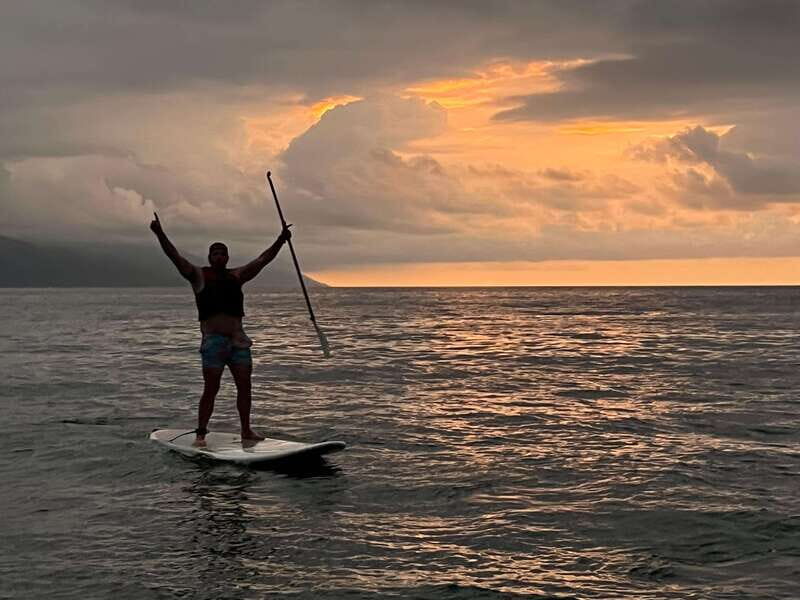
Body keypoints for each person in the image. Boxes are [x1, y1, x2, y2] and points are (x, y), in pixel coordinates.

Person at [150, 212, 291, 446]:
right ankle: (201, 434)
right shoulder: (198, 275)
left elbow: (263, 259)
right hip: (214, 342)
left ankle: (246, 430)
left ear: (227, 256)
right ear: (209, 256)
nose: (219, 256)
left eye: (222, 252)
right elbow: (174, 256)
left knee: (245, 387)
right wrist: (159, 233)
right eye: (215, 253)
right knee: (211, 389)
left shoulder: (237, 275)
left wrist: (281, 239)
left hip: (238, 342)